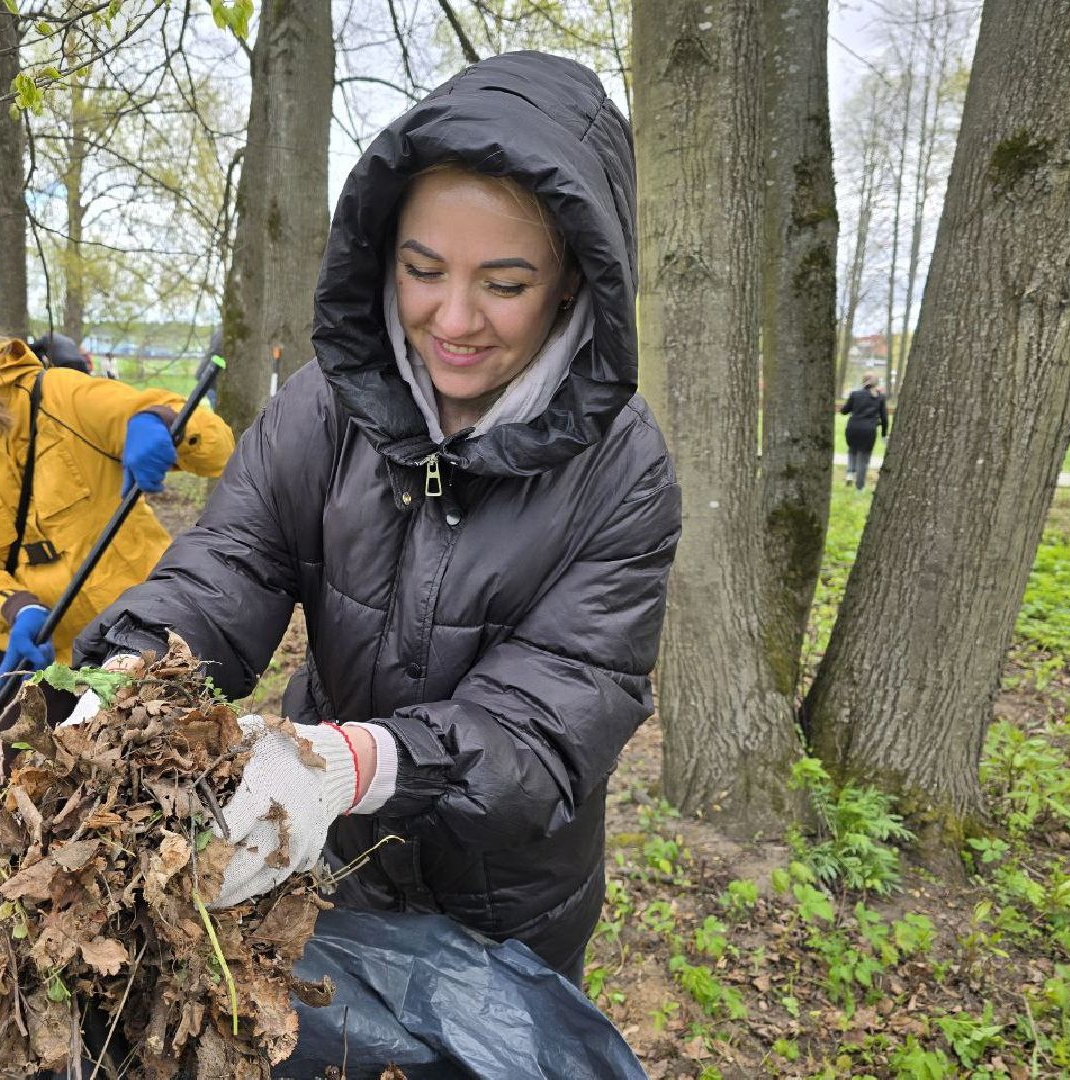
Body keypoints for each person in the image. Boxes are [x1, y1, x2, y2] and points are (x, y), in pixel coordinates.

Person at [75, 51, 680, 985]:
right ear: (384, 252)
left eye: (505, 284)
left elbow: (554, 714)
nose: (455, 318)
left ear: (572, 281)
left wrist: (368, 762)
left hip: (504, 911)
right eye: (423, 269)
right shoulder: (324, 407)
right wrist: (141, 665)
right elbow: (234, 558)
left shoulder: (625, 473)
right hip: (323, 863)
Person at [0, 284, 236, 955]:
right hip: (32, 648)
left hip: (135, 636)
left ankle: (179, 903)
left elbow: (214, 445)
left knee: (157, 776)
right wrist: (13, 607)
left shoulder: (57, 397)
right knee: (4, 772)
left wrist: (154, 425)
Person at [840, 371, 888, 491]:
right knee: (863, 458)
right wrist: (883, 434)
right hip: (869, 431)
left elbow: (845, 411)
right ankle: (859, 487)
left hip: (853, 428)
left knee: (852, 450)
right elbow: (885, 418)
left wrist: (845, 409)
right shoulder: (879, 397)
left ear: (863, 381)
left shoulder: (855, 394)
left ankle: (850, 473)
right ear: (876, 383)